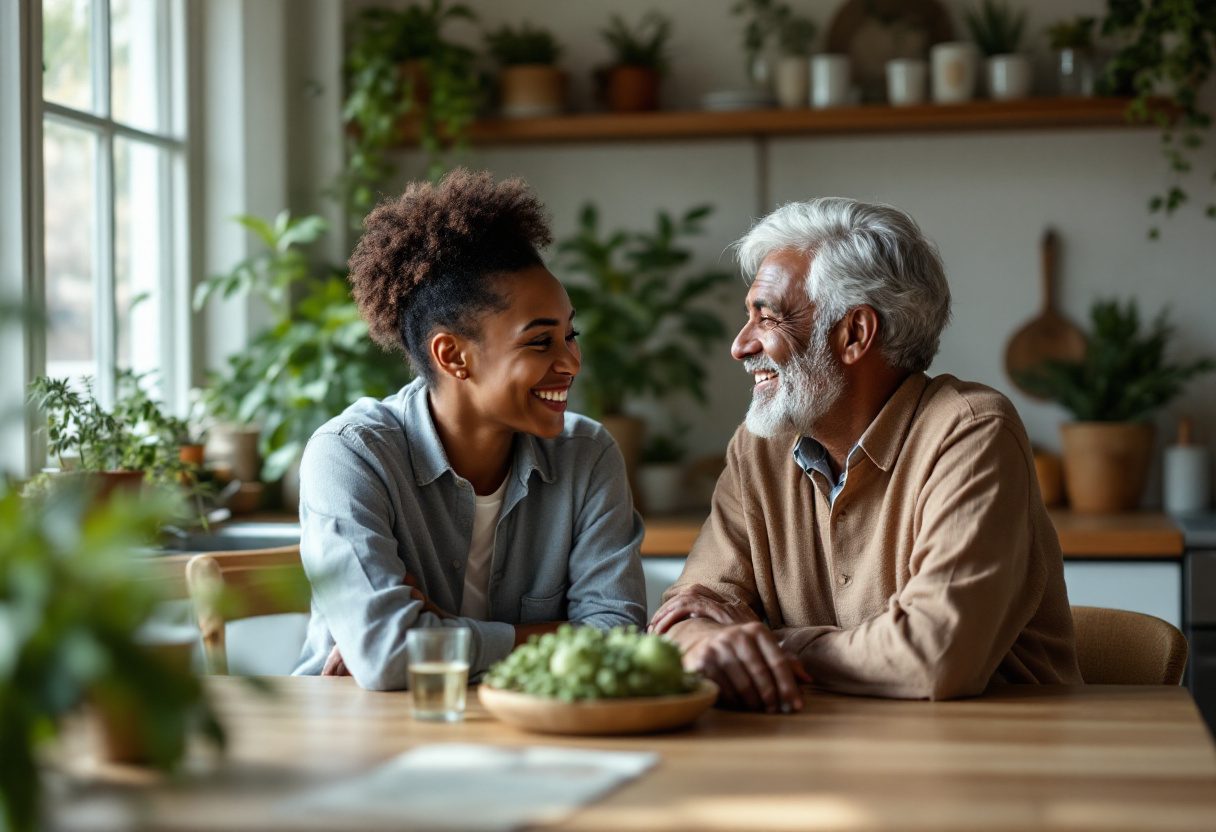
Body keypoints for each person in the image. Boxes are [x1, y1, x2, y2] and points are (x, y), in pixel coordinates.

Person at [649, 197, 1082, 712]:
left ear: (854, 333)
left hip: (989, 760)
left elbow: (933, 655)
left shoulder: (970, 431)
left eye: (766, 318)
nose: (741, 345)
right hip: (823, 754)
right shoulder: (759, 447)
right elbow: (683, 615)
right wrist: (704, 641)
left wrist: (777, 643)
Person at [293, 170, 647, 690]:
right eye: (540, 342)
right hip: (359, 736)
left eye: (570, 334)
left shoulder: (587, 455)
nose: (571, 362)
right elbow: (391, 654)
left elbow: (620, 639)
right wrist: (550, 637)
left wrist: (438, 632)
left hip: (526, 737)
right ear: (453, 355)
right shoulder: (351, 456)